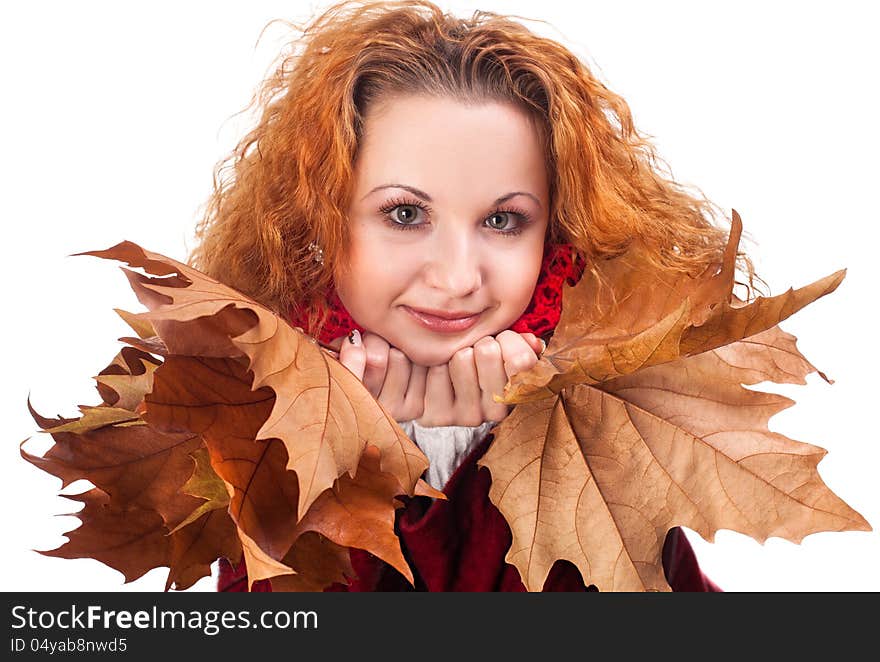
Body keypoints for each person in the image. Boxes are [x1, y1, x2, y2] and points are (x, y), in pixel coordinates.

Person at [189, 0, 744, 592]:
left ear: (553, 230)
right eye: (405, 213)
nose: (457, 279)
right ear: (320, 220)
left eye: (503, 221)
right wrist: (361, 472)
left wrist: (519, 472)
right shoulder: (248, 414)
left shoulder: (616, 414)